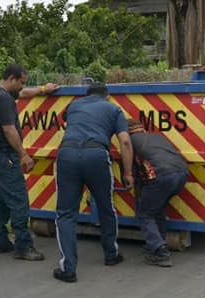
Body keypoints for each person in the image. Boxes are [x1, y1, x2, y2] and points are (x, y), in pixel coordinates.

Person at [53, 83, 133, 283]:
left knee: (66, 214)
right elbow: (124, 141)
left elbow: (64, 121)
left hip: (67, 154)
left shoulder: (74, 105)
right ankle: (111, 255)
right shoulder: (113, 109)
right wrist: (128, 173)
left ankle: (68, 269)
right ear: (106, 96)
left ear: (87, 95)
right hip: (97, 156)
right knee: (106, 207)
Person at [0, 64, 58, 261]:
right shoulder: (4, 100)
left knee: (1, 201)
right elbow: (9, 129)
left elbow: (23, 93)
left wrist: (43, 89)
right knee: (19, 201)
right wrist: (23, 155)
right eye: (20, 83)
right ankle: (24, 246)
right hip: (6, 157)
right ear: (11, 78)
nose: (22, 87)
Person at [126, 119, 189, 267]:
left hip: (162, 177)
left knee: (145, 213)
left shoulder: (129, 141)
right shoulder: (156, 136)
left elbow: (136, 172)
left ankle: (160, 253)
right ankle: (158, 243)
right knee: (158, 210)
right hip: (182, 174)